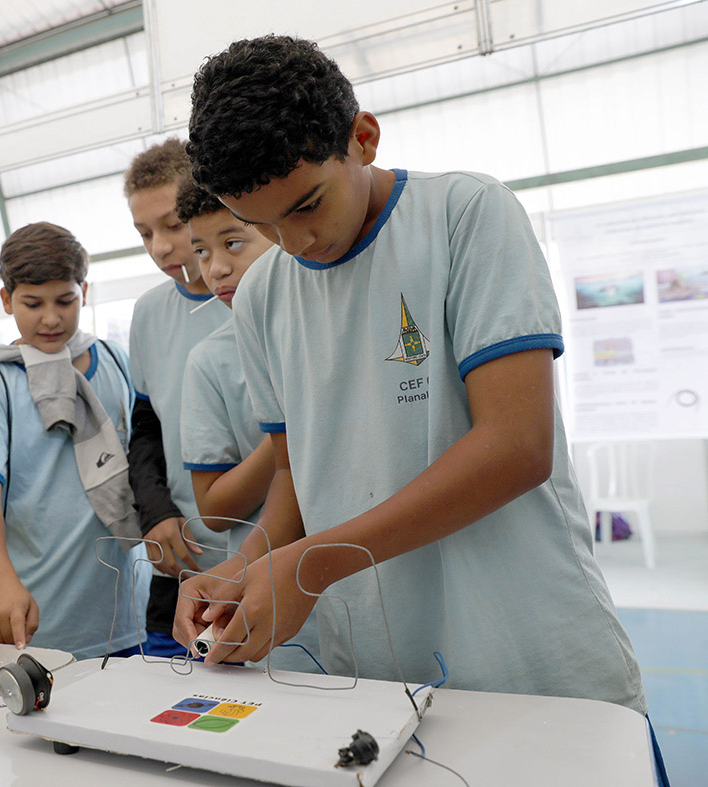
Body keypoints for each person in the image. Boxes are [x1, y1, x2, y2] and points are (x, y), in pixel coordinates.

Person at [174, 35, 651, 723]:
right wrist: (243, 565)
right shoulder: (262, 296)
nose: (294, 243)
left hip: (525, 653)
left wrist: (314, 563)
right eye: (261, 224)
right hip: (375, 668)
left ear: (362, 138)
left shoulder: (464, 216)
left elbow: (516, 445)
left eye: (307, 205)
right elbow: (297, 481)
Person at [0, 222, 143, 660]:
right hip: (32, 615)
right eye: (32, 303)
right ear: (6, 300)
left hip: (123, 612)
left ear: (85, 291)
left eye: (65, 300)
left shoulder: (114, 359)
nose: (51, 318)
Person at [174, 176, 318, 670]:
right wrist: (291, 429)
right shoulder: (211, 359)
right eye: (200, 251)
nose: (215, 268)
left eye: (234, 242)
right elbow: (214, 507)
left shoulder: (320, 321)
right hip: (264, 589)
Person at [124, 140, 237, 657]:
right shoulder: (149, 313)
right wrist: (155, 513)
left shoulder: (250, 297)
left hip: (259, 549)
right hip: (182, 557)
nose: (160, 248)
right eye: (144, 233)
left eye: (172, 226)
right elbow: (146, 427)